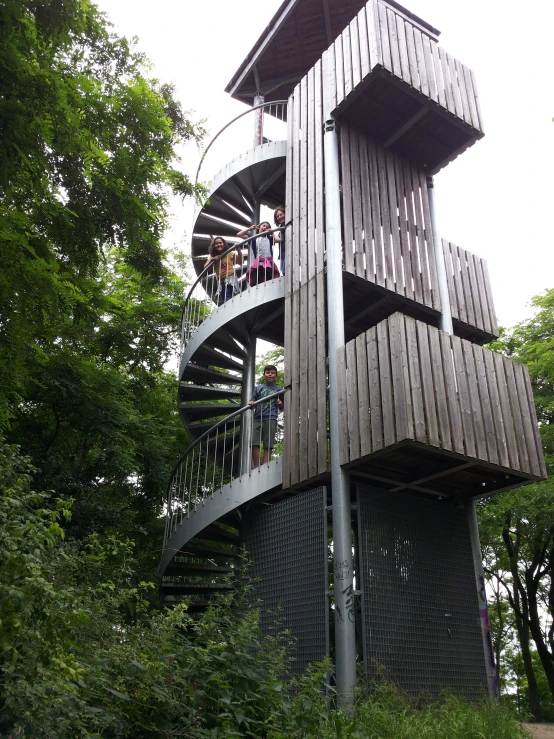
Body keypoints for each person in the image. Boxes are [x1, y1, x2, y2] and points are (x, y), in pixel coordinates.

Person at [249, 365, 283, 467]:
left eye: (272, 373)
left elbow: (282, 407)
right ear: (264, 375)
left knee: (268, 443)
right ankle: (256, 466)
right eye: (267, 372)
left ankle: (265, 465)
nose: (269, 374)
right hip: (257, 417)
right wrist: (251, 402)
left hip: (271, 417)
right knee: (254, 442)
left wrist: (280, 403)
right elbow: (253, 399)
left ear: (276, 376)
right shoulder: (258, 387)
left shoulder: (279, 389)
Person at [238, 221, 280, 286]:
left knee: (268, 277)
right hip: (258, 262)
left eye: (267, 227)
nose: (265, 227)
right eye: (263, 225)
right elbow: (239, 234)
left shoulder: (269, 239)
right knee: (255, 278)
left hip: (268, 261)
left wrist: (272, 233)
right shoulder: (253, 238)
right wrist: (250, 229)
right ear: (259, 227)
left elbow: (278, 240)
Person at [204, 236, 242, 305]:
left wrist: (238, 249)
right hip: (220, 280)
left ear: (224, 244)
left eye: (220, 243)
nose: (219, 245)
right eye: (216, 243)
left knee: (228, 295)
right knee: (222, 297)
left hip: (230, 277)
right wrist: (212, 259)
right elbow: (206, 268)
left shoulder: (230, 253)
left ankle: (229, 309)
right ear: (213, 246)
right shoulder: (212, 256)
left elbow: (240, 262)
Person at [273, 205, 286, 276]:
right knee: (283, 272)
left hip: (288, 251)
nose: (279, 217)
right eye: (277, 216)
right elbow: (278, 240)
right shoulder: (281, 229)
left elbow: (281, 239)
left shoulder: (288, 225)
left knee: (285, 271)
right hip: (282, 253)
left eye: (281, 214)